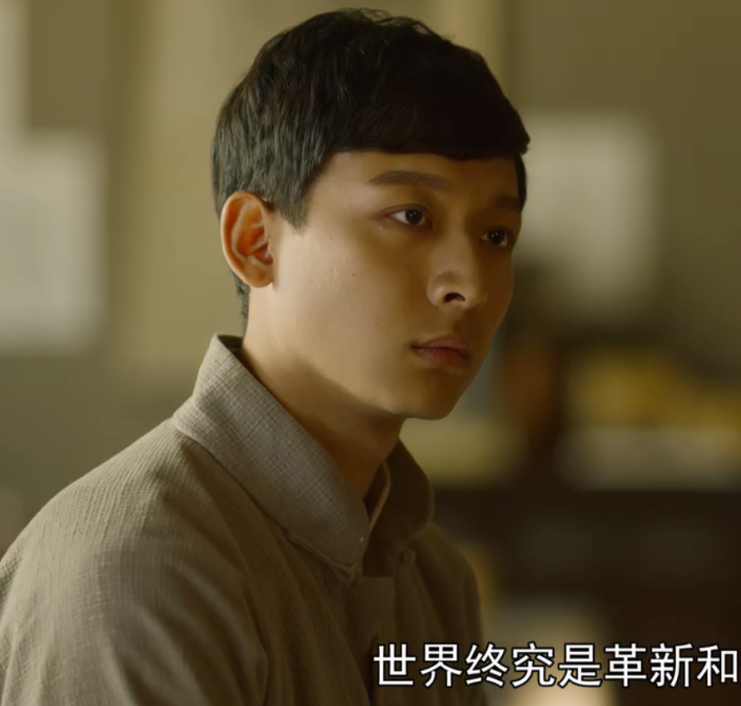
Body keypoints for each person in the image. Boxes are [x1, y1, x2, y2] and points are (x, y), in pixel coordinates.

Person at [0, 8, 529, 705]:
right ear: (255, 241)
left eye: (496, 236)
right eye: (412, 217)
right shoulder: (137, 566)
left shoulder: (432, 575)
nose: (469, 283)